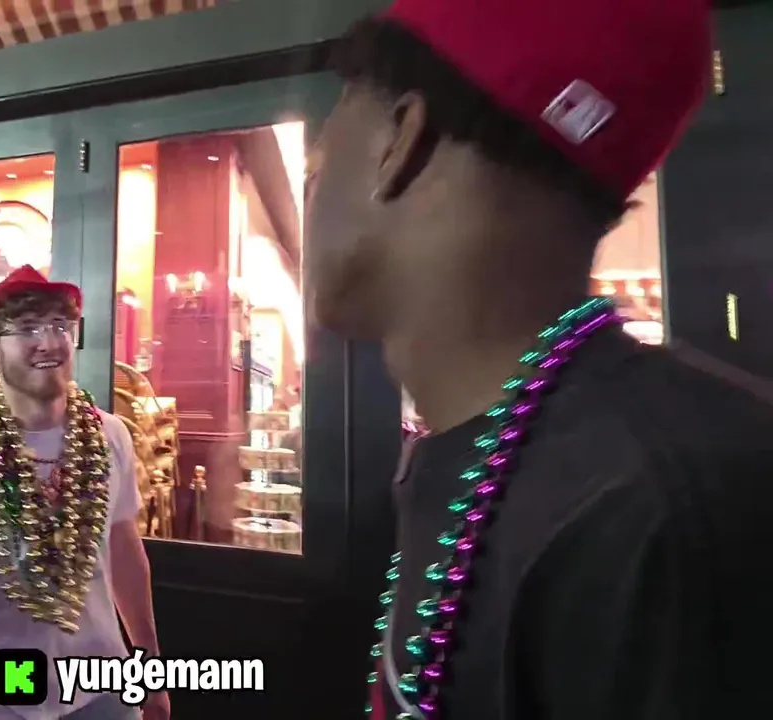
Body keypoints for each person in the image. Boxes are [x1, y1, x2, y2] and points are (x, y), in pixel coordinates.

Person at [305, 2, 771, 719]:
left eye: (316, 164)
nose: (311, 194)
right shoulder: (516, 459)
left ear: (401, 140)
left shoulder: (662, 511)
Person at [0, 266, 168, 720]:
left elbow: (123, 550)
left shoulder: (110, 436)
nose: (49, 342)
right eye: (27, 329)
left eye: (59, 325)